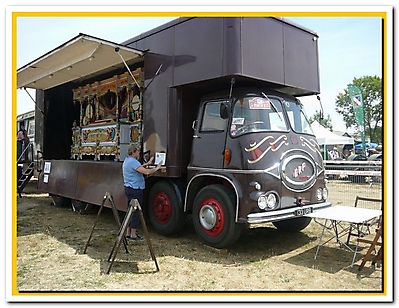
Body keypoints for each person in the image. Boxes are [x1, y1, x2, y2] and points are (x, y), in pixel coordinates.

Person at [122, 143, 162, 242]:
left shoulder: (128, 160)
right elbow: (146, 172)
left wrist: (147, 163)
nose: (139, 152)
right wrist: (157, 168)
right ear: (133, 152)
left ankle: (128, 233)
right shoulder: (133, 162)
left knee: (130, 211)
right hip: (136, 189)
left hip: (129, 188)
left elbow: (138, 168)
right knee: (135, 212)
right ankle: (133, 234)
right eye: (138, 151)